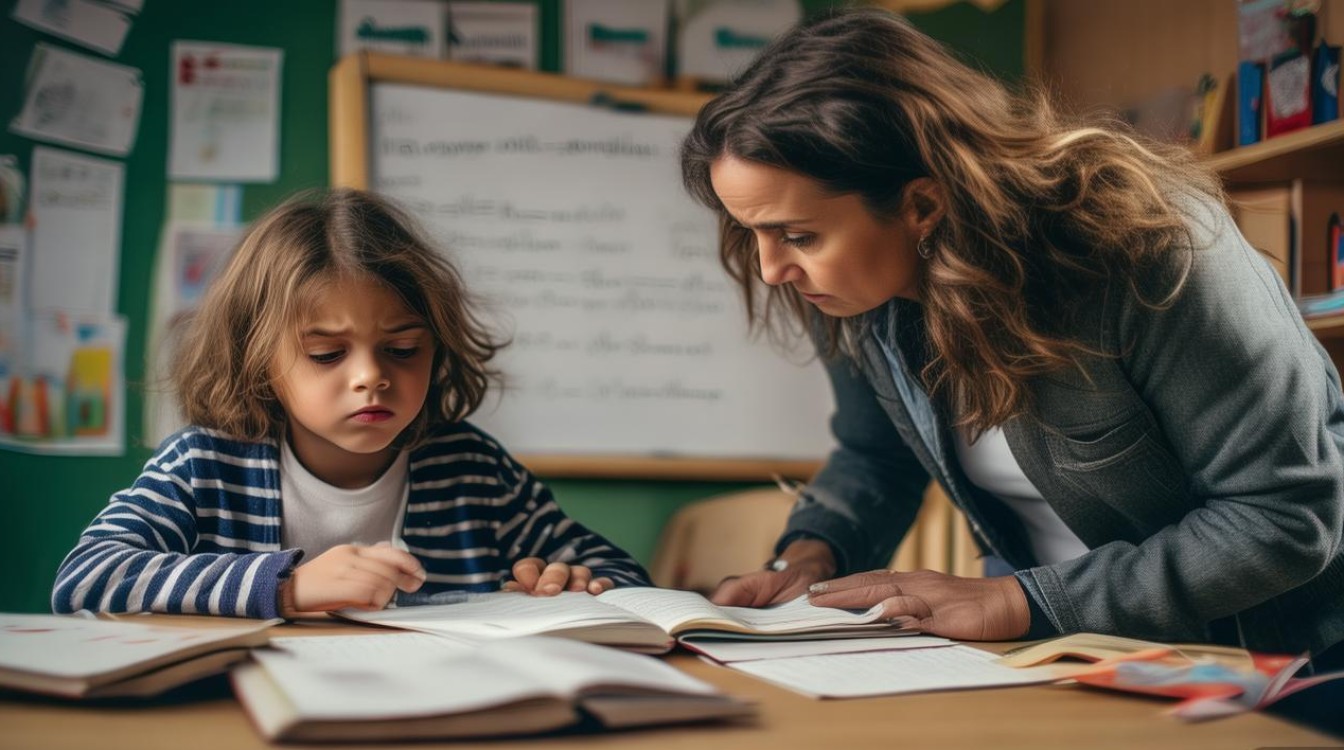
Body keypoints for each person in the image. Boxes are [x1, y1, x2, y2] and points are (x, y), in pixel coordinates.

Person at [680, 7, 1343, 723]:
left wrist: (1016, 600)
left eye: (798, 235)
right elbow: (875, 457)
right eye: (752, 235)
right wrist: (809, 557)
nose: (772, 269)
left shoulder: (1157, 254)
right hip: (1064, 654)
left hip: (1275, 661)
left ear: (923, 203)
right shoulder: (860, 290)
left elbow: (1285, 514)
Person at [52, 188, 649, 619]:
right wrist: (286, 588)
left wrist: (574, 582)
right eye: (326, 354)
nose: (371, 377)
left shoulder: (472, 469)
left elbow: (625, 578)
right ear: (259, 361)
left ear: (435, 351)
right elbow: (86, 577)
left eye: (402, 349)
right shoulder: (204, 464)